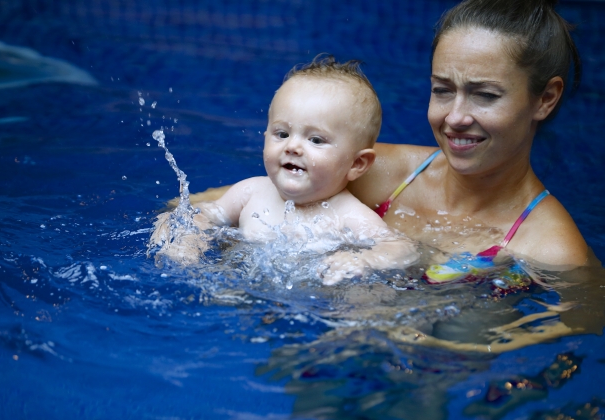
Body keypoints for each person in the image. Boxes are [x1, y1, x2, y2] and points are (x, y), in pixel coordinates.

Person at [347, 0, 591, 272]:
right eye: (442, 90)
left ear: (545, 99)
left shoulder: (551, 251)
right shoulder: (372, 173)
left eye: (485, 95)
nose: (454, 117)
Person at [149, 56, 417, 284]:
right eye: (282, 133)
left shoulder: (348, 215)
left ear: (356, 164)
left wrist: (364, 259)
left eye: (315, 140)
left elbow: (403, 249)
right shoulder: (251, 192)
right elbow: (207, 213)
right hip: (236, 287)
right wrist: (185, 233)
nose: (293, 147)